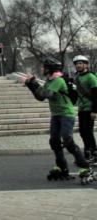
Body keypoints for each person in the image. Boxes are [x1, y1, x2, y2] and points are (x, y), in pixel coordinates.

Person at [23, 55, 93, 183]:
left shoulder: (58, 80)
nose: (42, 68)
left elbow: (47, 94)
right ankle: (62, 167)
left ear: (50, 68)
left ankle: (84, 166)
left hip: (66, 114)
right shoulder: (50, 81)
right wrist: (30, 85)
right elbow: (40, 97)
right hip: (56, 115)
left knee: (67, 140)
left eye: (44, 67)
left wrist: (33, 83)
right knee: (54, 141)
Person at [72, 55, 97, 164]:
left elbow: (96, 95)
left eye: (81, 63)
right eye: (77, 64)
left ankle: (94, 153)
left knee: (88, 132)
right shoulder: (77, 78)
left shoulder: (91, 77)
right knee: (82, 132)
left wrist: (95, 110)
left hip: (90, 108)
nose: (78, 65)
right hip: (82, 108)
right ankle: (87, 153)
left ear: (86, 64)